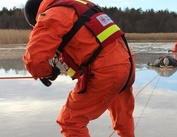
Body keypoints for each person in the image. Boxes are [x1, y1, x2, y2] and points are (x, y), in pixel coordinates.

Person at [23, 0, 135, 137]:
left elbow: (34, 60)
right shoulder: (80, 5)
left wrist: (48, 72)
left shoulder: (52, 14)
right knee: (123, 118)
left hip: (107, 70)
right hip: (127, 62)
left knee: (70, 122)